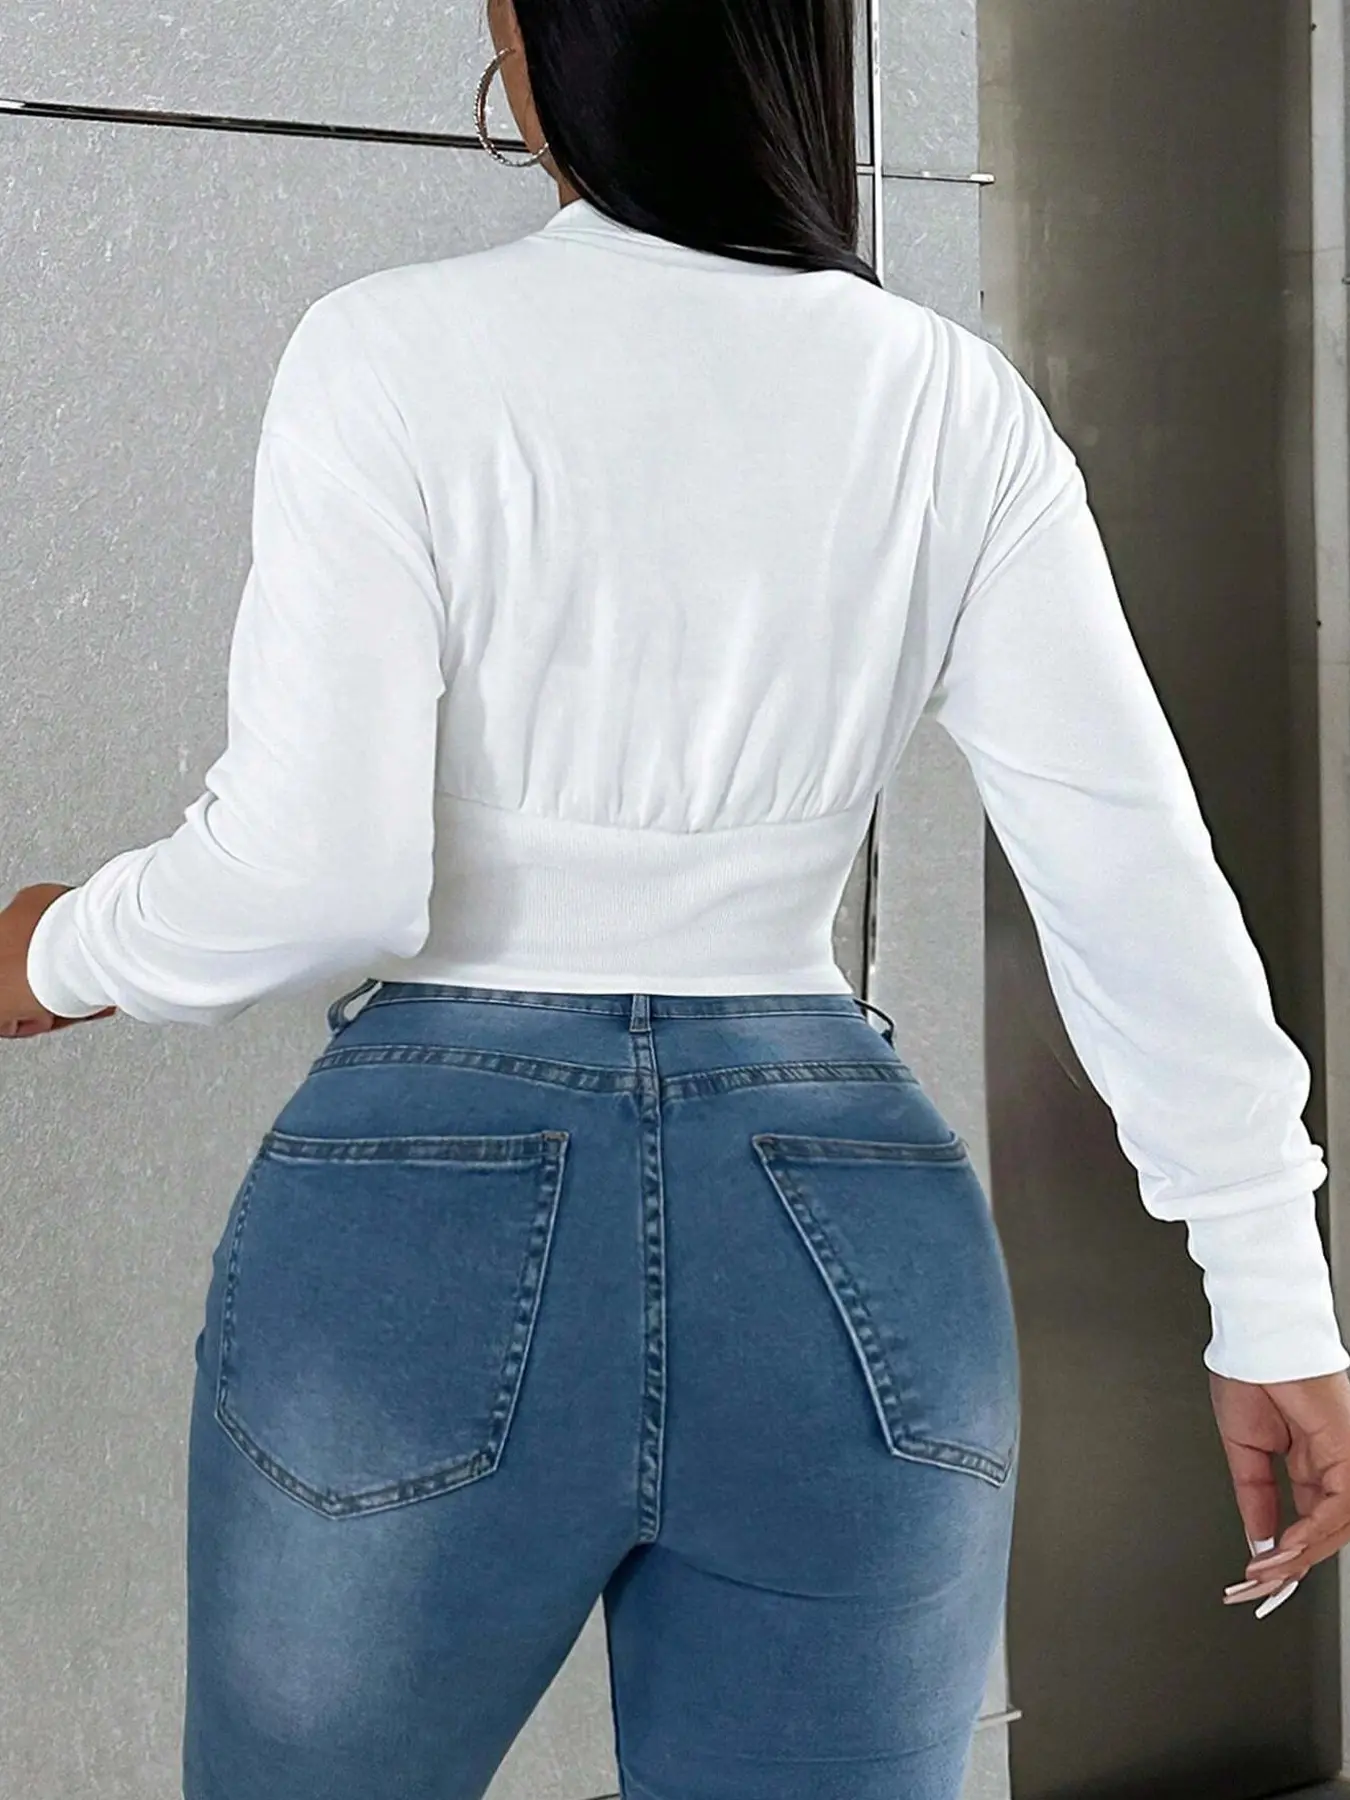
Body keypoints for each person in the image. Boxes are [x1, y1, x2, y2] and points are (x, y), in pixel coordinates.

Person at [4, 0, 1350, 1794]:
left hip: (421, 1213)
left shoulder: (393, 351)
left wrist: (50, 952)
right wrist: (1271, 1300)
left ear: (536, 39)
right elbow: (1133, 883)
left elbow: (314, 872)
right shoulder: (946, 399)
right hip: (845, 1230)